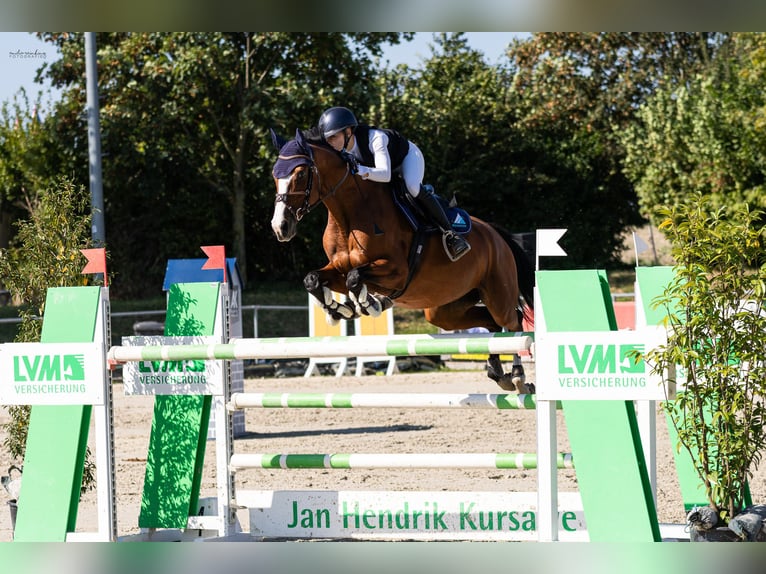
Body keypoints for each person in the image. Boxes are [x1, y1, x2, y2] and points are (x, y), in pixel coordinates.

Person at [317, 106, 470, 262]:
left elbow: (385, 174)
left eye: (333, 137)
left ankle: (451, 233)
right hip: (378, 169)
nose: (330, 142)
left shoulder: (375, 138)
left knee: (412, 187)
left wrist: (361, 170)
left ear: (348, 132)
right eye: (327, 139)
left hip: (406, 159)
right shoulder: (340, 150)